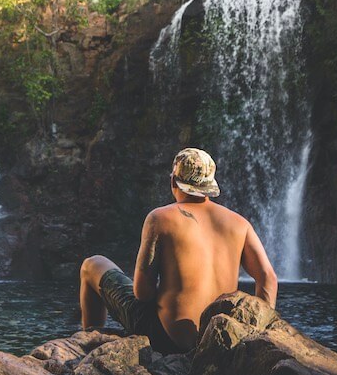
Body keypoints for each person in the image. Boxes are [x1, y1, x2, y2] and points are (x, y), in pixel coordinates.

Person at [78, 147, 277, 354]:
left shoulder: (160, 218)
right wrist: (254, 333)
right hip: (217, 342)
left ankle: (88, 350)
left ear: (173, 181)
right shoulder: (240, 223)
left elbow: (142, 293)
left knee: (92, 264)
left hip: (166, 339)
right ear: (210, 185)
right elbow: (268, 278)